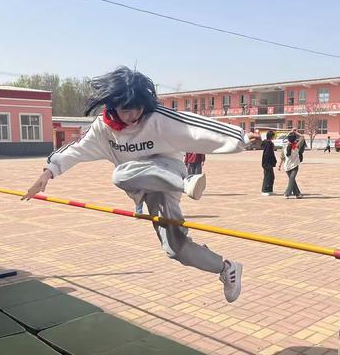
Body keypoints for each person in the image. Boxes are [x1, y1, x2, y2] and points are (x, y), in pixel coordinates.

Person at [24, 66, 258, 303]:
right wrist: (49, 172)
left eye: (139, 108)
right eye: (127, 109)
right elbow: (76, 149)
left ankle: (185, 183)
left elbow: (196, 127)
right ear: (113, 104)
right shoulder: (102, 129)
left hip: (168, 172)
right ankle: (226, 267)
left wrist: (242, 137)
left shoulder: (157, 118)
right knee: (175, 248)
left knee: (120, 174)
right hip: (144, 186)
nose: (134, 114)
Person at [278, 132, 302, 198]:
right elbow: (302, 137)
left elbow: (282, 157)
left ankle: (298, 194)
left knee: (292, 179)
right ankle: (287, 193)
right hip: (292, 166)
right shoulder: (297, 146)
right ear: (295, 139)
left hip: (289, 166)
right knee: (292, 179)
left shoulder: (285, 146)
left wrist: (279, 165)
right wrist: (296, 132)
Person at [260, 130, 277, 195]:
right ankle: (264, 190)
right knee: (267, 176)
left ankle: (269, 190)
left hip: (268, 163)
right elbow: (268, 154)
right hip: (267, 163)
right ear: (271, 136)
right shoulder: (268, 144)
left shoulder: (269, 143)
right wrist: (273, 161)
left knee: (271, 176)